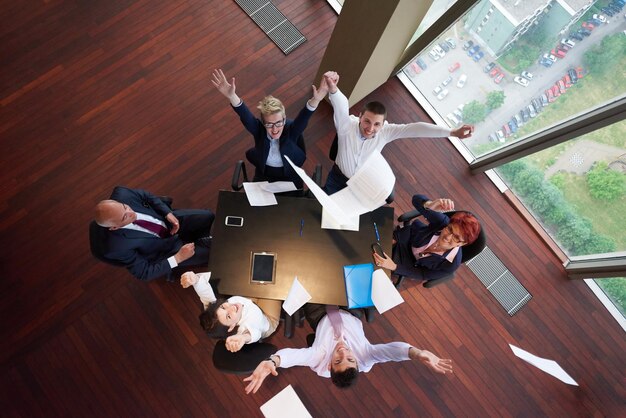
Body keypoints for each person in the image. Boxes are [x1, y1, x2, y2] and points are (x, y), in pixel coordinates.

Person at [321, 71, 474, 194]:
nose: (370, 128)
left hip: (361, 185)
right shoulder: (346, 125)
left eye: (376, 124)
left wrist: (452, 132)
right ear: (360, 117)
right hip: (337, 178)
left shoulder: (386, 132)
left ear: (383, 124)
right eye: (367, 121)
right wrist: (333, 89)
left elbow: (416, 129)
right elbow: (341, 106)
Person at [243, 304, 452, 393]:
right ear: (357, 363)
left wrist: (272, 361)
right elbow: (393, 351)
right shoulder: (366, 358)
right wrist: (417, 354)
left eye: (337, 360)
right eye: (350, 359)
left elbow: (292, 357)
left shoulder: (317, 358)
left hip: (319, 314)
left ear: (329, 366)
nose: (343, 352)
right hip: (350, 308)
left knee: (311, 273)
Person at [211, 68, 328, 189]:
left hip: (290, 176)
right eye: (269, 124)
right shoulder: (259, 130)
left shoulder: (291, 130)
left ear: (284, 119)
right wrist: (232, 96)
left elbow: (303, 117)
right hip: (264, 176)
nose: (275, 129)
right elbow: (246, 116)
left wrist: (316, 99)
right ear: (263, 123)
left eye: (278, 123)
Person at [93, 186, 214, 281]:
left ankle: (202, 238)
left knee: (208, 217)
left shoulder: (122, 194)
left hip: (169, 221)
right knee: (213, 253)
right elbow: (144, 273)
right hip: (165, 250)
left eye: (125, 207)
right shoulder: (116, 248)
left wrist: (167, 213)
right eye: (125, 217)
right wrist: (178, 258)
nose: (131, 212)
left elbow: (147, 196)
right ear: (115, 227)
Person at [373, 194, 481, 283]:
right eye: (449, 229)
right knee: (371, 243)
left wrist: (395, 267)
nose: (448, 237)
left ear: (462, 243)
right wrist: (429, 205)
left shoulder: (451, 264)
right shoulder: (442, 223)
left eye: (456, 237)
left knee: (376, 276)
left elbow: (423, 274)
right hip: (407, 239)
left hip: (410, 263)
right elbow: (416, 199)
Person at [181, 271, 281, 353]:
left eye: (223, 307)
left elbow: (206, 294)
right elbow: (254, 334)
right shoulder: (243, 330)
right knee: (275, 284)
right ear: (232, 327)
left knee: (254, 275)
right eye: (228, 316)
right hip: (267, 318)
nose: (231, 308)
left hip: (249, 303)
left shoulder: (218, 309)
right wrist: (243, 338)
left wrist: (195, 279)